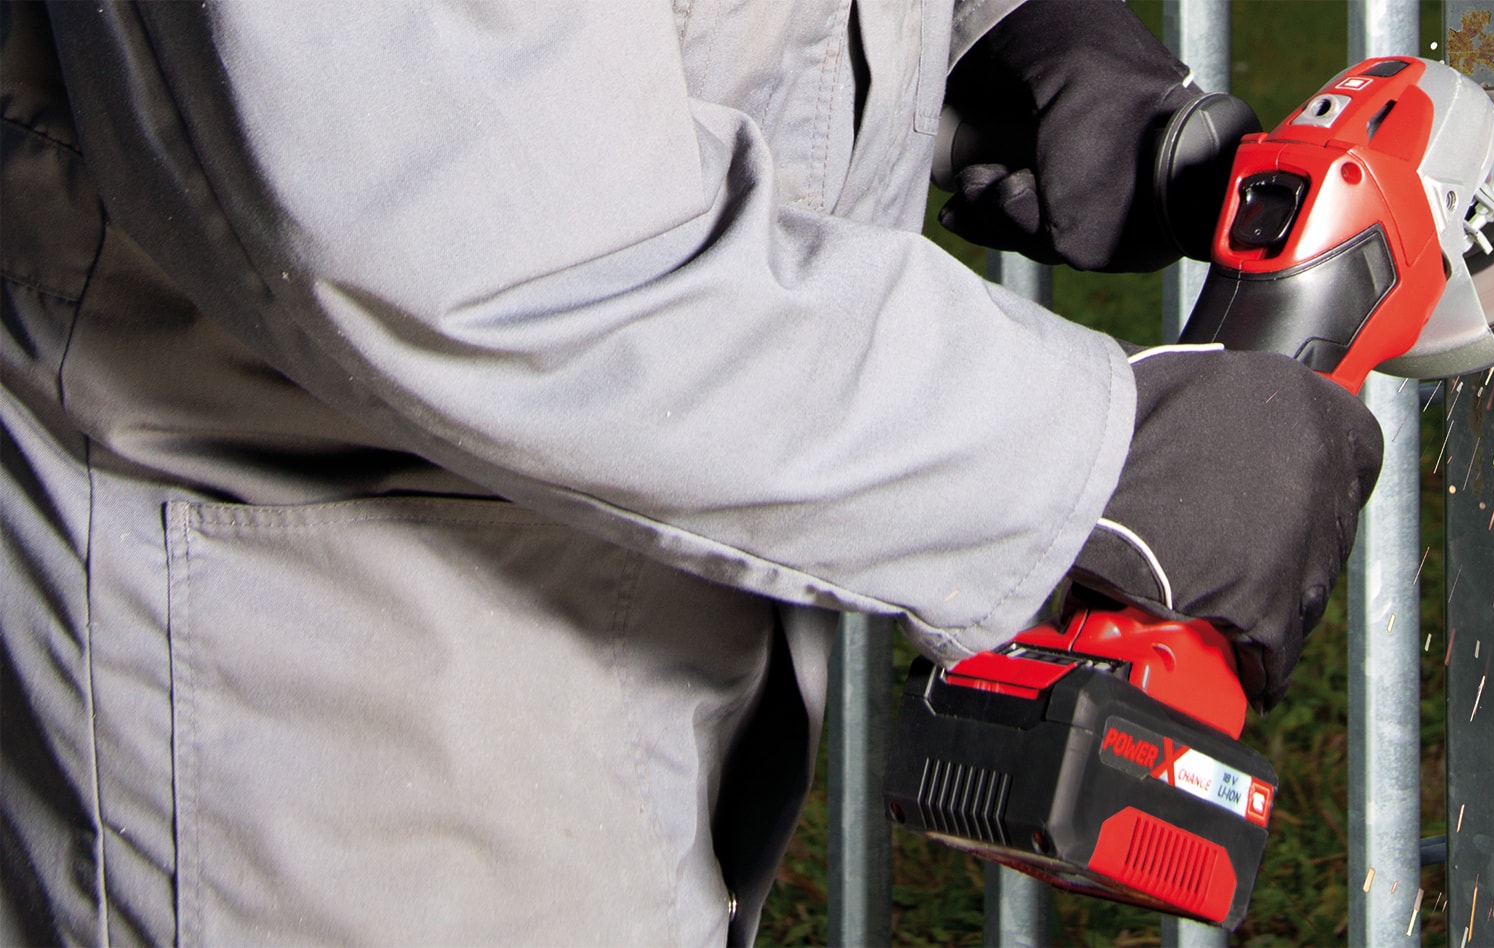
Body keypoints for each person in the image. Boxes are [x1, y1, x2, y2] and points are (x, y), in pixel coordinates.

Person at [0, 0, 1381, 943]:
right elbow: (471, 226)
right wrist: (1096, 455)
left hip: (628, 596)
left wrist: (990, 37)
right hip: (322, 695)